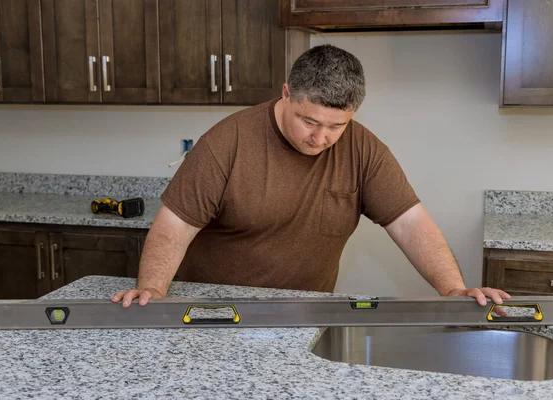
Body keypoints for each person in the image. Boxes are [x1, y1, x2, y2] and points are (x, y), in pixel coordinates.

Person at [112, 44, 510, 308]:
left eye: (336, 126)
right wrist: (153, 290)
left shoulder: (363, 147)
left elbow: (411, 224)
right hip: (217, 308)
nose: (321, 137)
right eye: (309, 121)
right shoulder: (226, 142)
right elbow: (173, 227)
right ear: (286, 93)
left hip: (305, 311)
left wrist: (454, 289)